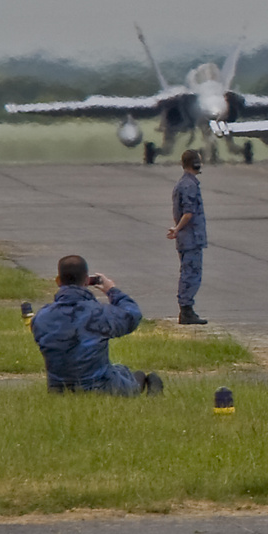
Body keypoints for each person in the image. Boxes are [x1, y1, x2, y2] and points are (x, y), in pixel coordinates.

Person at [31, 254, 160, 395]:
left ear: (58, 281)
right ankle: (148, 388)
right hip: (99, 386)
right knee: (126, 373)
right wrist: (112, 291)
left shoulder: (41, 317)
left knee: (121, 370)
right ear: (87, 280)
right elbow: (132, 315)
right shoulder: (99, 313)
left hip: (59, 389)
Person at [168, 147, 209, 324]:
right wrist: (177, 229)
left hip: (186, 237)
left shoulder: (182, 184)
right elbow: (188, 213)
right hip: (191, 237)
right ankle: (186, 310)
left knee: (188, 272)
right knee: (191, 274)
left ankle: (186, 309)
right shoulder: (189, 185)